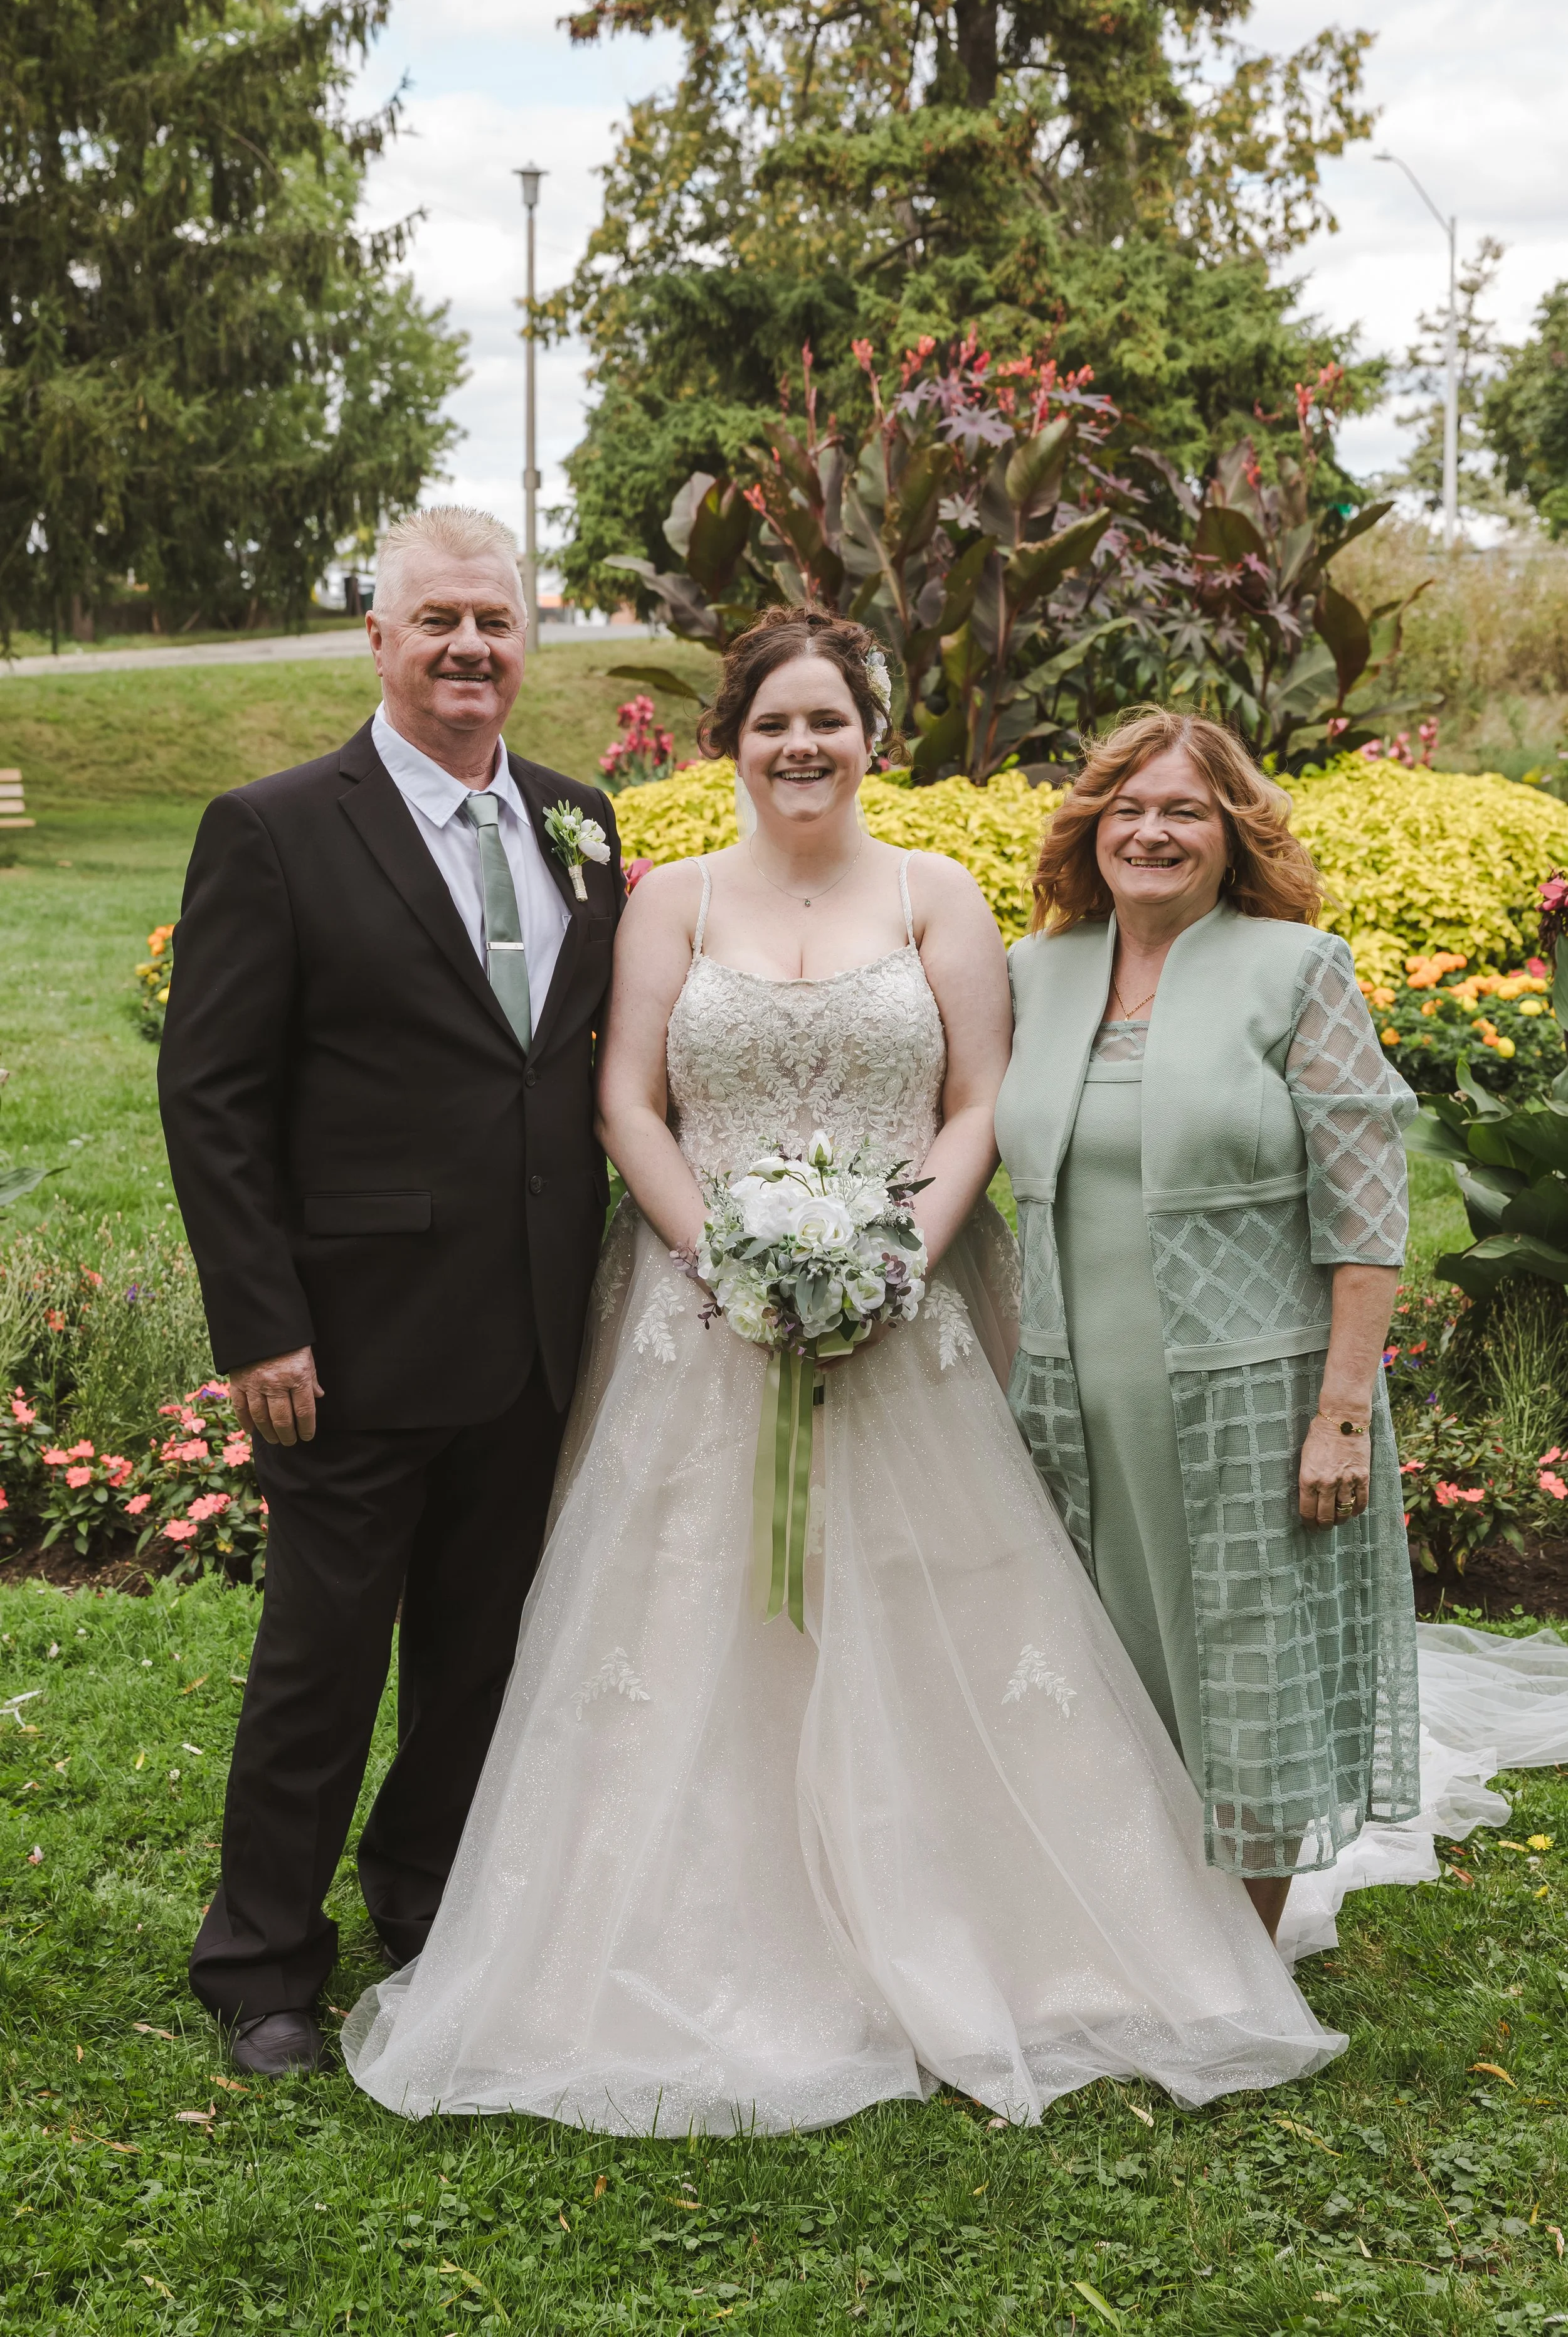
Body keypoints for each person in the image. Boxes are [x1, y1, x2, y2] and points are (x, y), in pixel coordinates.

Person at [342, 608, 1340, 2133]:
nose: (799, 747)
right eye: (770, 724)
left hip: (909, 1317)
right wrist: (722, 1263)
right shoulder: (666, 900)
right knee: (683, 1619)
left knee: (949, 1609)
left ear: (872, 736)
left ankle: (981, 1912)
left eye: (828, 721)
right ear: (730, 743)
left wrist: (893, 1262)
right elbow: (627, 1106)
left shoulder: (935, 894)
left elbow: (974, 1102)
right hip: (698, 1322)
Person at [158, 506, 622, 2076]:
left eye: (493, 620)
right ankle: (262, 1961)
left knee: (481, 1651)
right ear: (377, 638)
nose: (468, 648)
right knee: (321, 1658)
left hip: (535, 1325)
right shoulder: (278, 827)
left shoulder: (584, 822)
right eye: (435, 621)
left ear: (525, 637)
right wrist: (260, 1322)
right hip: (347, 1339)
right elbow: (211, 1097)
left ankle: (425, 1899)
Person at [997, 708, 1421, 1944]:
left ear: (1233, 834)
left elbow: (1366, 1215)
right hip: (1071, 1392)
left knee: (1249, 1665)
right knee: (1097, 1655)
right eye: (1126, 807)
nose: (1150, 831)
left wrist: (1339, 1414)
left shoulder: (1296, 969)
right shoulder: (1036, 971)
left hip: (1256, 1393)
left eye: (1182, 810)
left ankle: (1236, 1956)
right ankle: (1131, 1929)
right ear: (1090, 827)